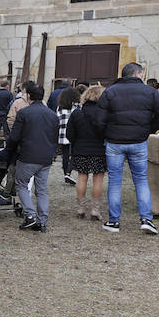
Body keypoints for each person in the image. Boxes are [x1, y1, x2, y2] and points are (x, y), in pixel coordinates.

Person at [90, 62, 159, 234]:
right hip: (138, 141)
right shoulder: (150, 92)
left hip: (114, 142)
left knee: (114, 181)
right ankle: (146, 219)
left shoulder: (110, 92)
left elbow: (98, 119)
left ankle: (114, 221)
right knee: (141, 179)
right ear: (137, 75)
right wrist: (148, 128)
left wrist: (106, 134)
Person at [7, 82, 58, 232]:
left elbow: (14, 136)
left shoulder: (24, 113)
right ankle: (42, 220)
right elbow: (54, 137)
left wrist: (9, 151)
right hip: (46, 157)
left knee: (21, 184)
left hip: (28, 156)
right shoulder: (52, 115)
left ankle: (30, 215)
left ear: (28, 96)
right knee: (41, 190)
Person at [66, 84, 108, 220]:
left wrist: (76, 142)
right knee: (98, 180)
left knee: (81, 178)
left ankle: (81, 209)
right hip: (100, 150)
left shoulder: (77, 113)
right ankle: (95, 210)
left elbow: (69, 134)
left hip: (81, 149)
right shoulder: (105, 114)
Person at [56, 86, 80, 184]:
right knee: (75, 154)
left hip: (62, 133)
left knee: (65, 155)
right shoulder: (77, 107)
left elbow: (57, 120)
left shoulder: (59, 108)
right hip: (75, 132)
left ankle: (66, 173)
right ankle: (68, 172)